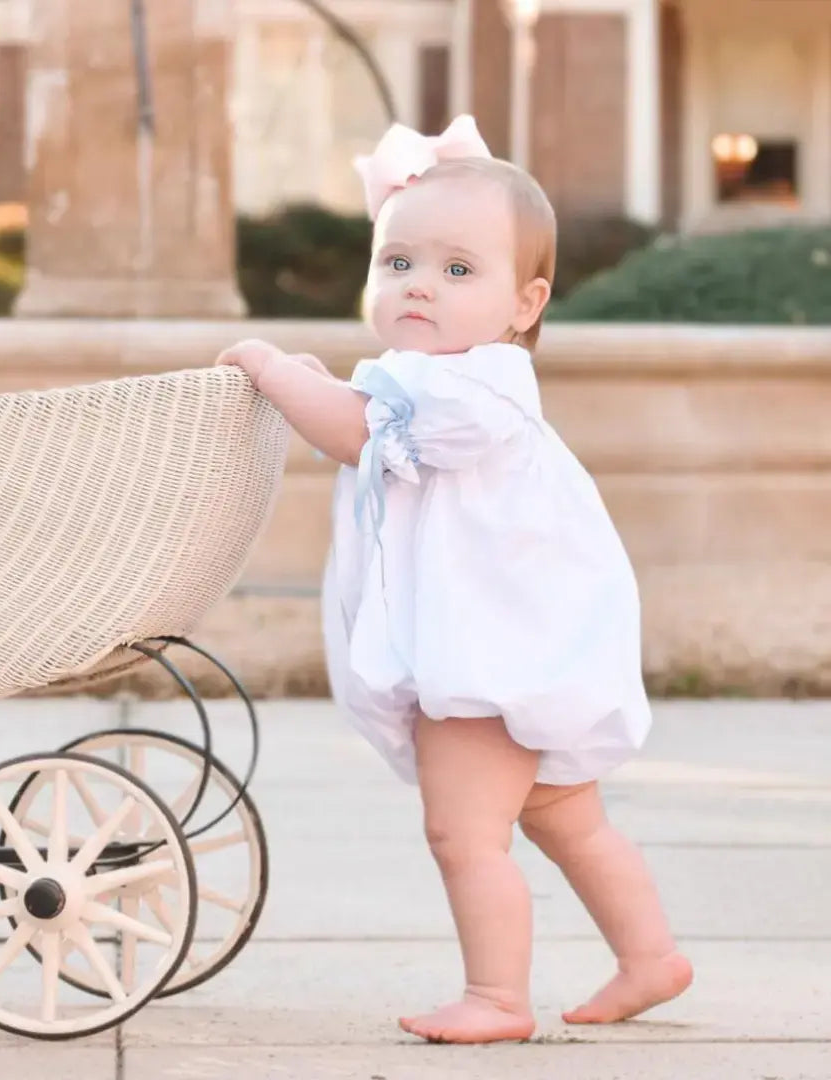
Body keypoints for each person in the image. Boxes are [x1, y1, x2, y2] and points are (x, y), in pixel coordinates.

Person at [215, 115, 693, 1045]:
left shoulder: (476, 388)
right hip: (505, 643)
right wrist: (323, 381)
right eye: (398, 264)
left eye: (457, 271)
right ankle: (651, 956)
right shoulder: (430, 376)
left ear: (526, 302)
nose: (419, 286)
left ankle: (497, 997)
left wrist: (275, 371)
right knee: (566, 821)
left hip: (483, 659)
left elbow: (357, 433)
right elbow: (366, 414)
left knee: (463, 836)